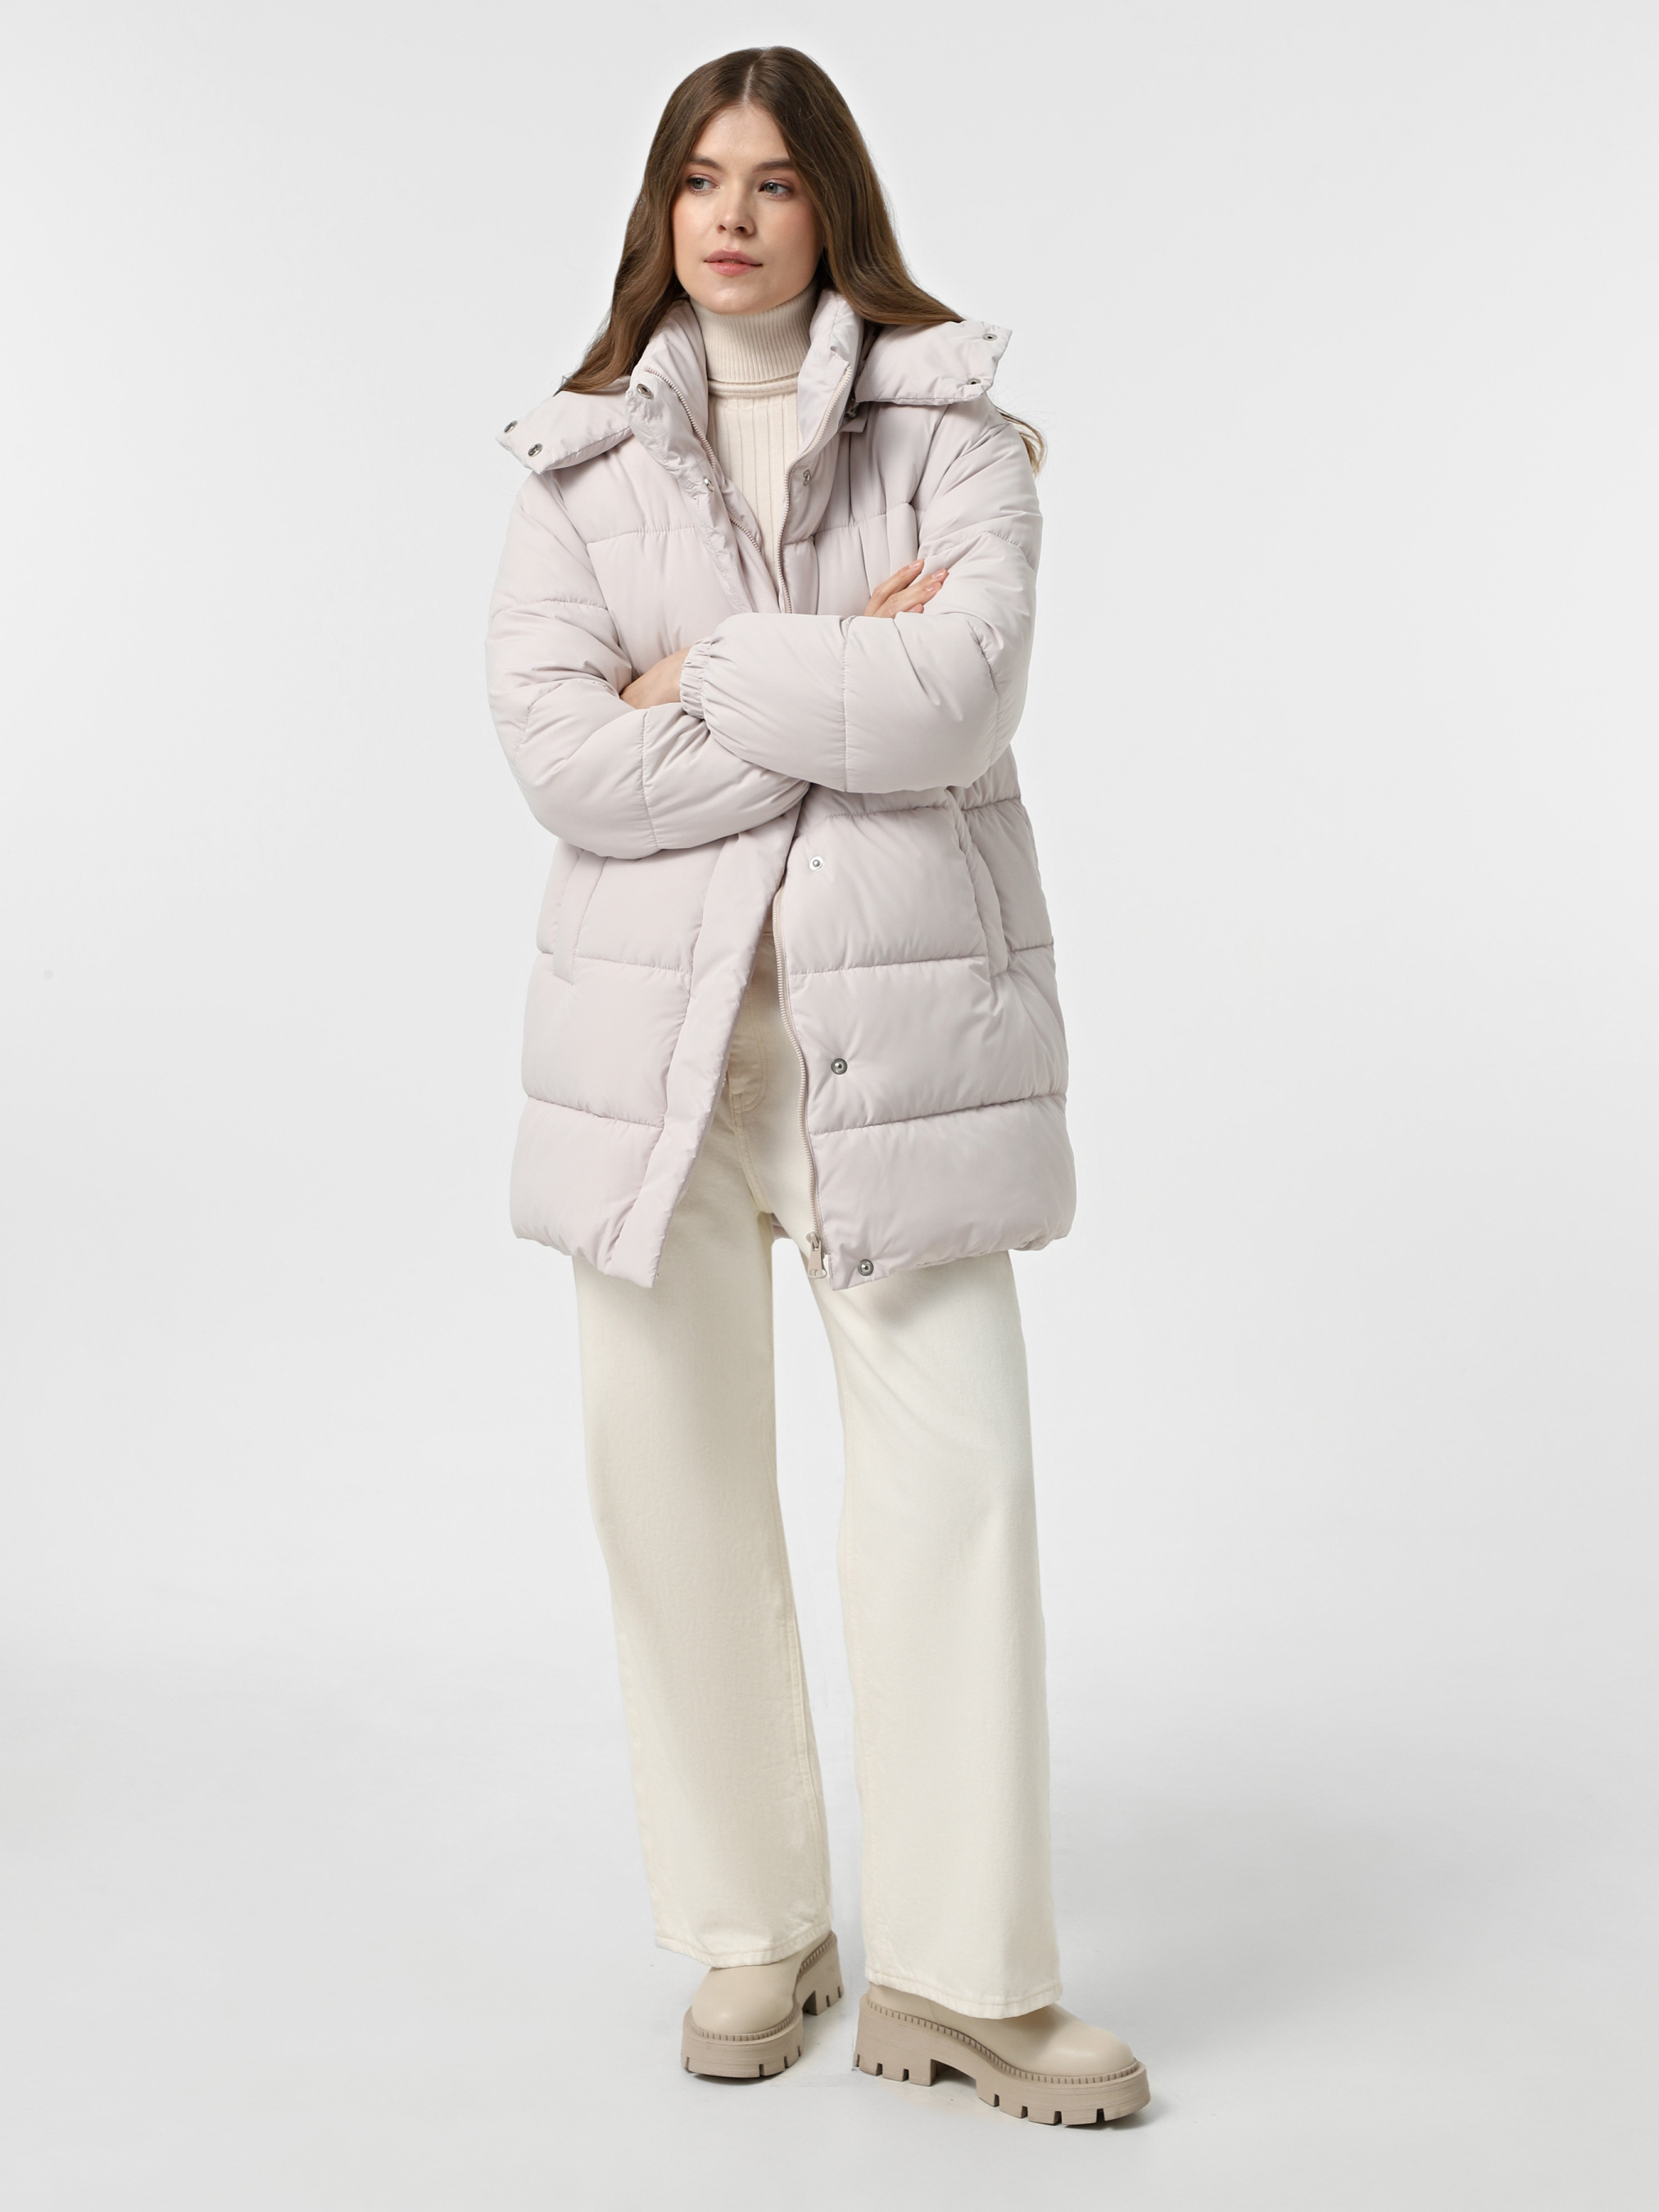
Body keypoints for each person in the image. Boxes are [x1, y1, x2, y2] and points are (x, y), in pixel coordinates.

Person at [485, 46, 1149, 2128]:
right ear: (658, 211)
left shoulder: (959, 430)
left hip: (901, 1051)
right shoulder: (578, 462)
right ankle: (750, 1929)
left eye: (772, 181)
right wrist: (830, 667)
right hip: (650, 1061)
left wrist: (694, 676)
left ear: (829, 203)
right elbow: (559, 755)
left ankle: (962, 1978)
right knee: (667, 1488)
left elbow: (959, 693)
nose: (733, 215)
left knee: (960, 1488)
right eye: (699, 179)